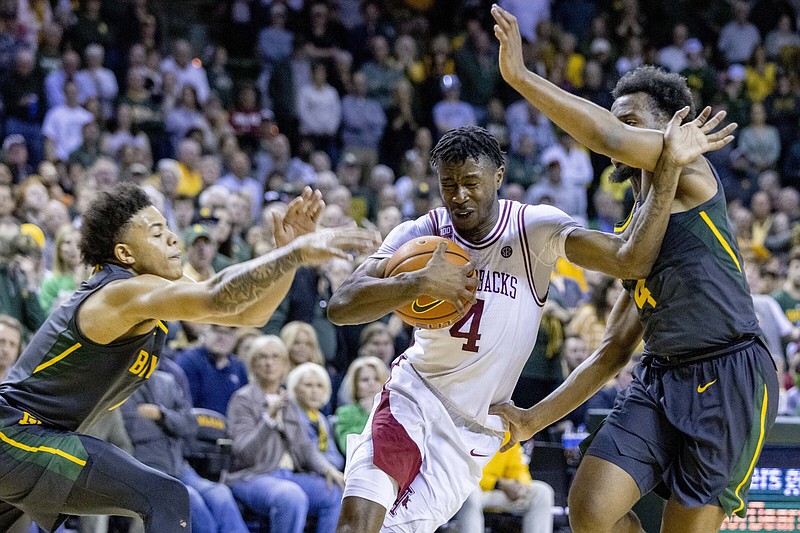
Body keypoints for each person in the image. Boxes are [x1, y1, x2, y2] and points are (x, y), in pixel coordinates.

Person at [328, 112, 733, 531]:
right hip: (412, 397)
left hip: (474, 430)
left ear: (499, 175)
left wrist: (666, 169)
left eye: (471, 182)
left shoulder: (533, 228)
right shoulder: (420, 233)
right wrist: (416, 282)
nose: (459, 196)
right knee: (355, 525)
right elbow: (341, 306)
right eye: (449, 185)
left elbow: (630, 258)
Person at [489, 6, 779, 533]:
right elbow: (613, 350)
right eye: (614, 114)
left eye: (632, 118)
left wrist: (522, 77)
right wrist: (534, 419)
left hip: (729, 373)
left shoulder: (690, 168)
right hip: (661, 376)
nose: (620, 129)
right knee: (590, 510)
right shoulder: (636, 229)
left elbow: (610, 140)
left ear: (673, 129)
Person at [0, 182, 378, 532]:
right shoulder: (121, 293)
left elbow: (248, 314)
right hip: (15, 434)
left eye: (168, 227)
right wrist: (291, 252)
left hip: (35, 439)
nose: (172, 238)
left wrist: (287, 258)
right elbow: (218, 293)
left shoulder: (159, 291)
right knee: (165, 495)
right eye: (156, 233)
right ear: (124, 253)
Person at [454, 437, 555, 533]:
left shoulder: (507, 434)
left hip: (501, 493)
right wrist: (498, 483)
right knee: (470, 492)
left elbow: (518, 468)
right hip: (478, 491)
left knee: (542, 492)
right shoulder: (468, 431)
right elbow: (465, 473)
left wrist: (521, 485)